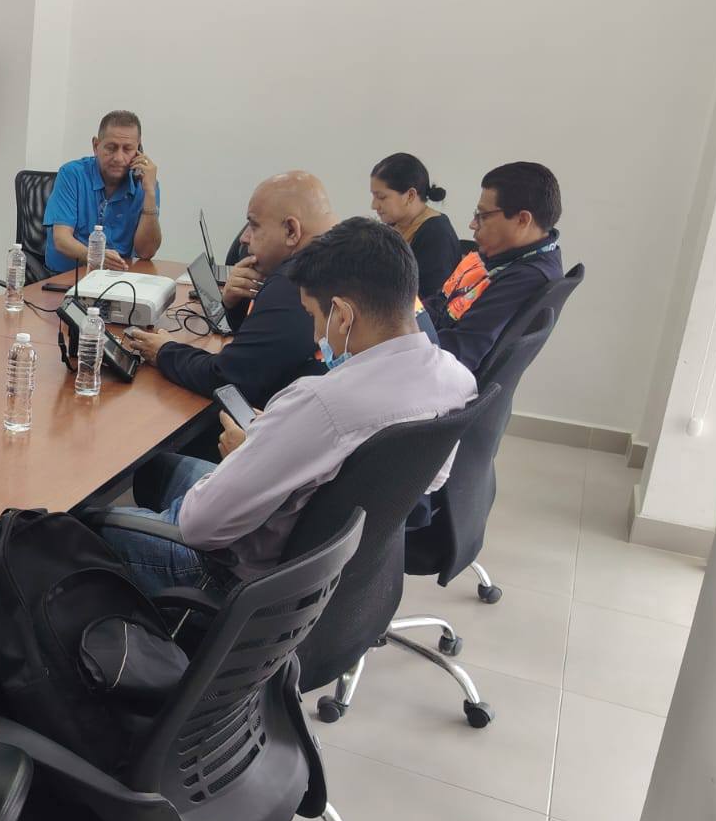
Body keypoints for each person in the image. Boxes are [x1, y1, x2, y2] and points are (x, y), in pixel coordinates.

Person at [101, 218, 477, 596]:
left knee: (77, 527)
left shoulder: (320, 403)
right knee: (158, 471)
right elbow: (426, 478)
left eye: (314, 317)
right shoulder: (456, 380)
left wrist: (250, 452)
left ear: (342, 315)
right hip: (338, 568)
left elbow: (198, 528)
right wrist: (280, 440)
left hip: (239, 577)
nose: (315, 334)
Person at [124, 170, 334, 407]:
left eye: (254, 225)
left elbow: (228, 380)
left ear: (291, 231)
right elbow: (262, 352)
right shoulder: (335, 259)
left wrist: (164, 352)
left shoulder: (293, 283)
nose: (244, 238)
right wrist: (235, 304)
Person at [426, 161, 563, 374]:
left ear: (522, 220)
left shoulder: (525, 278)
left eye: (483, 216)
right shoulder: (505, 256)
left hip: (439, 372)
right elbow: (441, 301)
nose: (473, 224)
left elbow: (460, 351)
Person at [43, 110, 162, 273]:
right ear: (96, 145)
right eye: (111, 148)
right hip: (66, 278)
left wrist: (150, 193)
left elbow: (146, 252)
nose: (118, 158)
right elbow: (61, 239)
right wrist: (96, 257)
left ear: (138, 150)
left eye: (127, 149)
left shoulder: (146, 183)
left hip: (116, 279)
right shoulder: (72, 174)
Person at [369, 152, 461, 298]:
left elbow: (432, 301)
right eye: (373, 197)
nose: (374, 205)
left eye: (381, 197)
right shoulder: (392, 227)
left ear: (410, 195)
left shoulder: (436, 234)